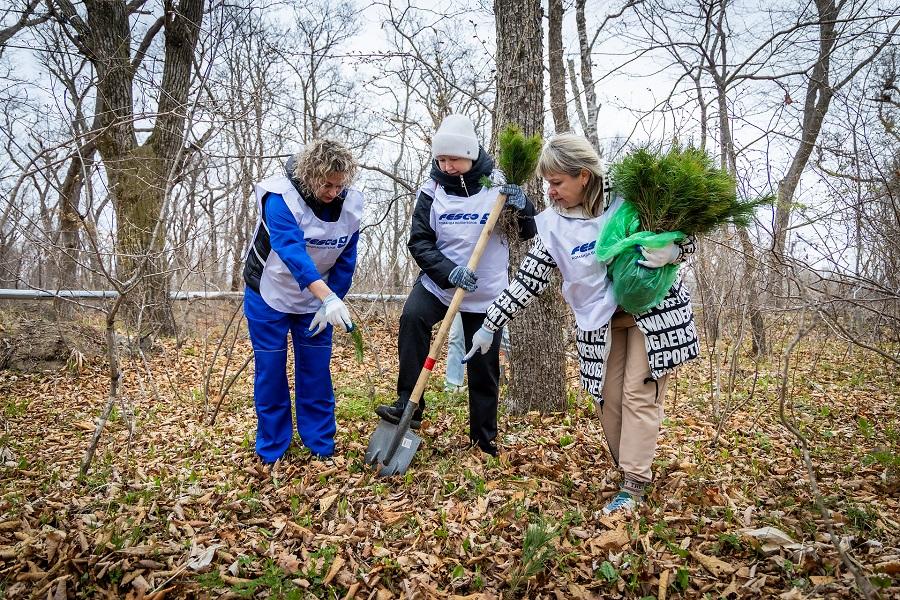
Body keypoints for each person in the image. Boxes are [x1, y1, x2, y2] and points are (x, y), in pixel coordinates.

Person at [464, 133, 699, 512]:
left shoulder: (629, 199)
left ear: (583, 176)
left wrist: (673, 250)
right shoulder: (556, 225)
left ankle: (635, 483)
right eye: (547, 184)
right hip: (601, 323)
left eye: (557, 183)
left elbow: (685, 235)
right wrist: (491, 324)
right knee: (608, 397)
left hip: (652, 313)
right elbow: (529, 278)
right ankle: (628, 469)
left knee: (639, 394)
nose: (551, 192)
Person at [374, 113, 538, 456]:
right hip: (441, 283)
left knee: (483, 364)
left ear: (472, 154)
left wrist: (524, 207)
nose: (446, 165)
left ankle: (483, 439)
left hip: (486, 292)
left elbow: (527, 233)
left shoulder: (498, 182)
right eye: (441, 159)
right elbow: (419, 241)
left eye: (454, 159)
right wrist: (449, 271)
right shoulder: (431, 189)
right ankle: (409, 405)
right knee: (413, 318)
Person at [242, 139, 363, 464]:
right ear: (310, 176)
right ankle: (272, 447)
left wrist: (330, 299)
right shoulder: (280, 197)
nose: (333, 192)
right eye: (326, 184)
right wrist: (327, 296)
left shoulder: (350, 207)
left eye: (339, 185)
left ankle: (320, 443)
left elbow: (345, 259)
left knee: (316, 372)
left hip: (316, 301)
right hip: (269, 293)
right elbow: (291, 250)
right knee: (270, 371)